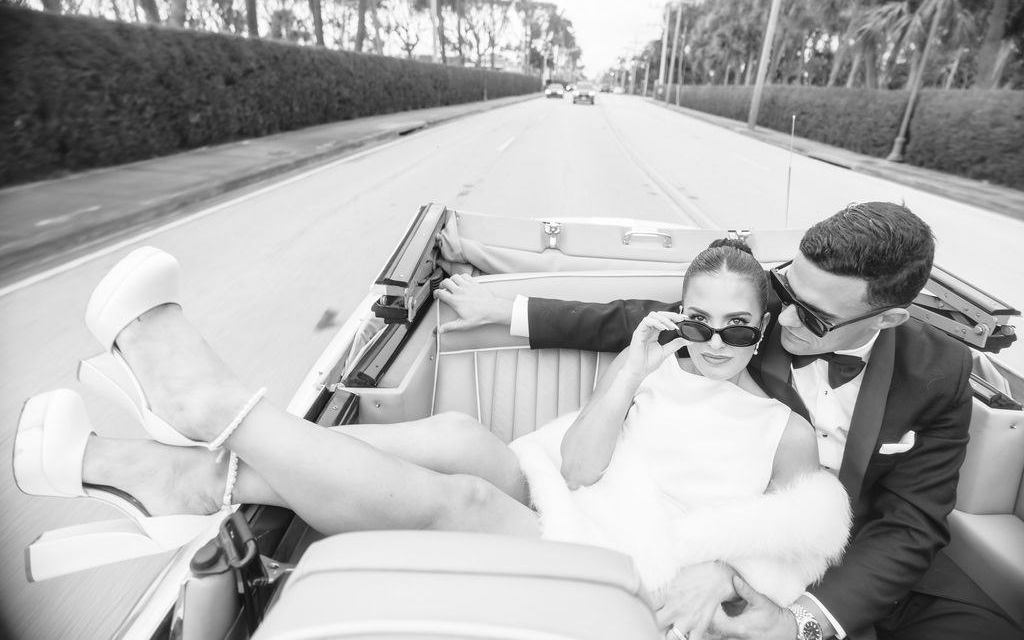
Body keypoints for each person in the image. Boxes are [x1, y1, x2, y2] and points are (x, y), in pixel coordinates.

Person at [14, 241, 850, 640]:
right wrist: (629, 370)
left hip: (636, 559)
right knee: (456, 432)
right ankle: (182, 479)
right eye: (697, 321)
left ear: (765, 323)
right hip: (576, 493)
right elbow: (581, 465)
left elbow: (781, 572)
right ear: (677, 316)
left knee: (466, 497)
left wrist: (726, 573)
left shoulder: (784, 433)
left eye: (737, 327)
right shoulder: (654, 372)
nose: (714, 340)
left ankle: (201, 421)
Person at [435, 201, 1024, 640]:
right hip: (726, 545)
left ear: (890, 318)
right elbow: (643, 321)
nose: (782, 316)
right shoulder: (751, 317)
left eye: (815, 319)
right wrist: (508, 309)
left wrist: (805, 624)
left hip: (863, 570)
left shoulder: (939, 371)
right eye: (785, 288)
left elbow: (912, 522)